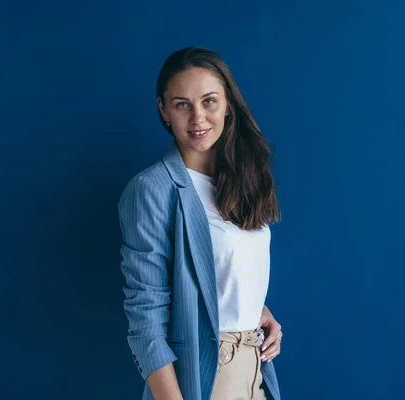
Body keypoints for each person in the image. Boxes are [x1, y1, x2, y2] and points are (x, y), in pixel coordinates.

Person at [118, 46, 284, 400]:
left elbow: (220, 274)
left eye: (209, 101)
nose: (198, 118)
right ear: (163, 109)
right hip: (204, 379)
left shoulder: (242, 180)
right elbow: (146, 323)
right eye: (182, 104)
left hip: (256, 370)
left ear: (227, 104)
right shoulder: (152, 189)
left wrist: (256, 310)